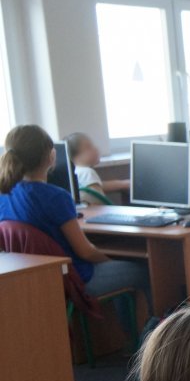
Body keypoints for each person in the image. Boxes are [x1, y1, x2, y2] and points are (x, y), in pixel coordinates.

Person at [0, 124, 151, 309]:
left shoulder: (3, 196)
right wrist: (110, 261)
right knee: (146, 271)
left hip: (36, 282)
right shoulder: (56, 197)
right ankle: (151, 326)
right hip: (76, 279)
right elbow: (85, 251)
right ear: (51, 157)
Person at [67, 131, 128, 203]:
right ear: (75, 157)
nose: (96, 149)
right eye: (89, 147)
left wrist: (124, 184)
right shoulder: (87, 172)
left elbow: (100, 185)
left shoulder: (76, 172)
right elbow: (99, 201)